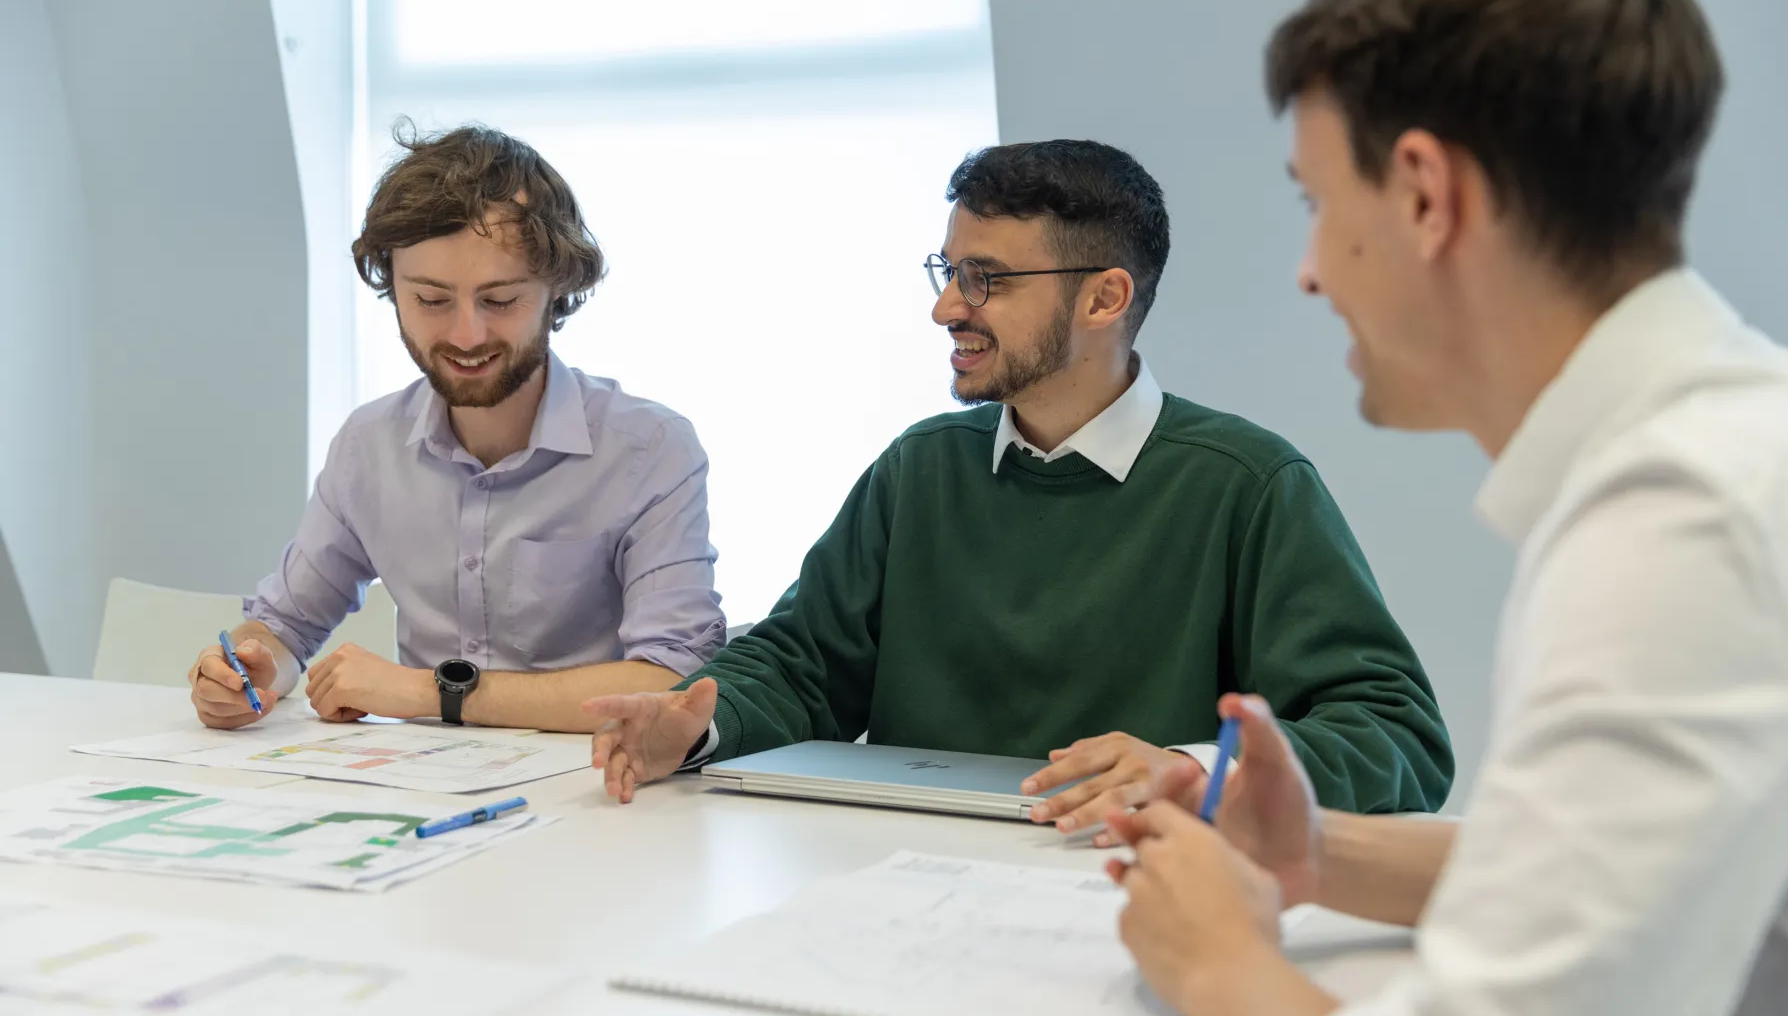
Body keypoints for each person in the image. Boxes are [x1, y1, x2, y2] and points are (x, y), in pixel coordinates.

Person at [1106, 0, 1788, 1016]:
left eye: (1320, 204)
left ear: (1427, 193)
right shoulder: (1737, 446)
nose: (1311, 273)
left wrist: (1216, 959)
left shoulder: (1679, 526)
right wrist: (1324, 856)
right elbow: (1619, 883)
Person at [582, 140, 1454, 819]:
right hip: (902, 882)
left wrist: (1191, 767)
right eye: (950, 272)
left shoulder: (1247, 483)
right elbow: (803, 665)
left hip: (1127, 888)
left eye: (986, 280)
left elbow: (1395, 738)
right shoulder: (920, 469)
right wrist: (702, 726)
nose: (946, 307)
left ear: (1104, 299)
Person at [187, 125, 725, 732]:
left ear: (557, 290)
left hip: (598, 789)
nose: (466, 336)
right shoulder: (369, 446)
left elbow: (670, 682)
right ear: (393, 287)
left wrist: (431, 692)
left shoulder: (650, 450)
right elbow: (284, 626)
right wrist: (250, 671)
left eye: (499, 300)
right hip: (421, 794)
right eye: (431, 300)